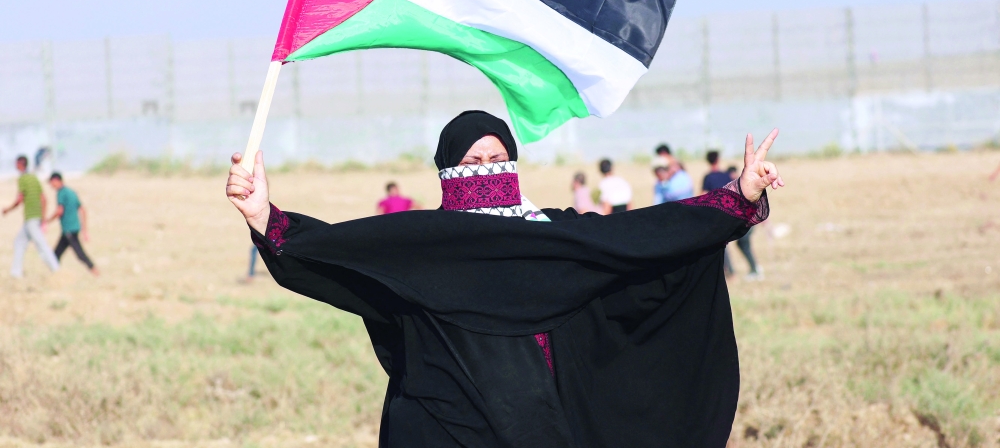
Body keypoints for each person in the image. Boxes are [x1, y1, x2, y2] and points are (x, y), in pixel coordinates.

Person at [227, 110, 784, 447]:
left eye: (497, 157)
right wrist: (263, 215)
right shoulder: (419, 251)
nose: (487, 171)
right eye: (471, 164)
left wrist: (738, 199)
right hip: (443, 432)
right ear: (447, 173)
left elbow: (647, 236)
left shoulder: (557, 239)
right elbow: (335, 257)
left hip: (544, 430)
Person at [3, 155, 59, 278]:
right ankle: (16, 273)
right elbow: (44, 199)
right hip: (35, 216)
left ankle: (56, 269)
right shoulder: (34, 178)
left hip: (31, 217)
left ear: (19, 164)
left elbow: (19, 199)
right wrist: (43, 217)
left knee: (41, 244)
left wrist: (8, 209)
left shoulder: (22, 179)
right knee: (19, 242)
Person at [44, 173, 98, 275]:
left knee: (79, 253)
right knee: (56, 254)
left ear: (56, 180)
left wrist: (48, 220)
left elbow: (60, 210)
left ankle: (94, 270)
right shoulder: (72, 192)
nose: (51, 186)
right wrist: (84, 230)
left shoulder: (61, 193)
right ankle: (55, 275)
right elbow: (82, 210)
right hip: (73, 228)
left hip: (68, 229)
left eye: (51, 183)